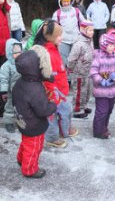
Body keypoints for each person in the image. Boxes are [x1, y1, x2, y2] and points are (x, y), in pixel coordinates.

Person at [12, 46, 57, 178]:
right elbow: (43, 110)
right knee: (34, 147)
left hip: (23, 121)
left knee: (25, 143)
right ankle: (29, 169)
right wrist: (53, 105)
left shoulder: (20, 82)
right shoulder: (36, 89)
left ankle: (21, 159)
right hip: (34, 125)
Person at [34, 19, 78, 148]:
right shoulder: (47, 54)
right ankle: (52, 138)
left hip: (61, 90)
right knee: (52, 116)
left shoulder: (54, 48)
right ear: (50, 37)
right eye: (58, 36)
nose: (61, 38)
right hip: (54, 93)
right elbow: (48, 77)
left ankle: (65, 130)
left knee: (66, 111)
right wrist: (52, 94)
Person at [90, 32, 115, 139]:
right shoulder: (98, 58)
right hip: (101, 91)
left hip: (112, 89)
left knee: (109, 110)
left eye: (114, 45)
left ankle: (104, 128)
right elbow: (93, 72)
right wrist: (101, 81)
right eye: (111, 45)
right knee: (102, 111)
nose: (113, 47)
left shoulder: (114, 56)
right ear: (104, 45)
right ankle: (98, 131)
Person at [67, 19, 94, 118]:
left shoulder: (89, 41)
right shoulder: (79, 43)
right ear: (83, 30)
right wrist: (70, 68)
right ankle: (77, 109)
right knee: (79, 91)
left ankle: (84, 105)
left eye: (92, 30)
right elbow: (71, 58)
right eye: (90, 30)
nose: (92, 32)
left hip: (87, 71)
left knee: (87, 90)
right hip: (79, 72)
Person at [52, 0, 85, 68]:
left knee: (75, 60)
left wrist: (84, 33)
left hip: (76, 39)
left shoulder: (76, 11)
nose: (66, 3)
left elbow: (83, 22)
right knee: (63, 60)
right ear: (60, 2)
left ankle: (74, 78)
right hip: (63, 41)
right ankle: (66, 78)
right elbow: (53, 28)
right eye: (64, 1)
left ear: (71, 1)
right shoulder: (57, 13)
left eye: (67, 1)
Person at [0, 38, 22, 132]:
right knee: (9, 107)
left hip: (22, 90)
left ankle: (20, 121)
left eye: (19, 52)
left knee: (21, 107)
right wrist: (4, 91)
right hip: (11, 92)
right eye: (15, 53)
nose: (18, 55)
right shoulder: (6, 66)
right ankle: (9, 122)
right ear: (9, 53)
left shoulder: (22, 63)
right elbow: (3, 79)